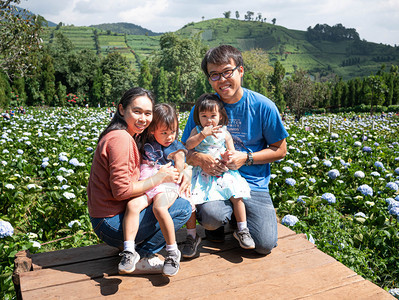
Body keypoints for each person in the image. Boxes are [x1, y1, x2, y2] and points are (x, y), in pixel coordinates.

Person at [181, 45, 288, 255]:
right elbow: (184, 149)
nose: (222, 80)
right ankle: (220, 224)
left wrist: (246, 158)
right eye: (215, 75)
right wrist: (200, 158)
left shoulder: (263, 106)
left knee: (264, 245)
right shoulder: (203, 108)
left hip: (254, 184)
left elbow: (280, 150)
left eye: (227, 72)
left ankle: (236, 223)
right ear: (209, 78)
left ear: (240, 70)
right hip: (213, 181)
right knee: (212, 218)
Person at [87, 87, 192, 276]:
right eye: (137, 111)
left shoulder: (130, 134)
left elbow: (177, 150)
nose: (143, 118)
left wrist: (185, 167)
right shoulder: (121, 139)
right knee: (183, 207)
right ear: (121, 109)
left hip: (108, 216)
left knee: (161, 202)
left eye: (148, 113)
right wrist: (158, 178)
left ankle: (134, 247)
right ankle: (142, 255)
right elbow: (121, 192)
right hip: (109, 223)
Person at [181, 93, 254, 258]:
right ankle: (191, 235)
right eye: (204, 116)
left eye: (213, 116)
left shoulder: (225, 133)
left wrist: (228, 157)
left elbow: (231, 151)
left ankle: (242, 229)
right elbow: (188, 145)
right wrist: (202, 135)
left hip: (223, 172)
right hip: (202, 173)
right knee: (191, 199)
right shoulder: (197, 130)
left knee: (237, 196)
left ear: (221, 116)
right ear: (198, 117)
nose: (209, 120)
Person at [121, 103, 189, 277]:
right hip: (150, 182)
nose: (169, 137)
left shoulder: (174, 146)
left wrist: (182, 170)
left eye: (173, 131)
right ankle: (129, 252)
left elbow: (180, 160)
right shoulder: (145, 141)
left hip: (167, 183)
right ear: (152, 130)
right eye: (164, 132)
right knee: (132, 206)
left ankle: (172, 252)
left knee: (160, 208)